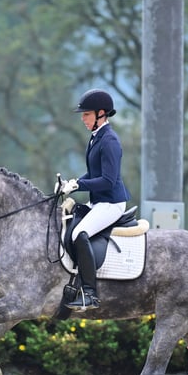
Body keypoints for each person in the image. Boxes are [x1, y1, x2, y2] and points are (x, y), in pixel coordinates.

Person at [58, 88, 131, 311]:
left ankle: (90, 293)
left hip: (111, 203)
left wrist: (80, 185)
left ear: (101, 113)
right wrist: (71, 183)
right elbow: (93, 174)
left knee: (81, 234)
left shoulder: (109, 141)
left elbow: (108, 180)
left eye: (86, 114)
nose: (83, 118)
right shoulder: (96, 138)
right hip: (98, 201)